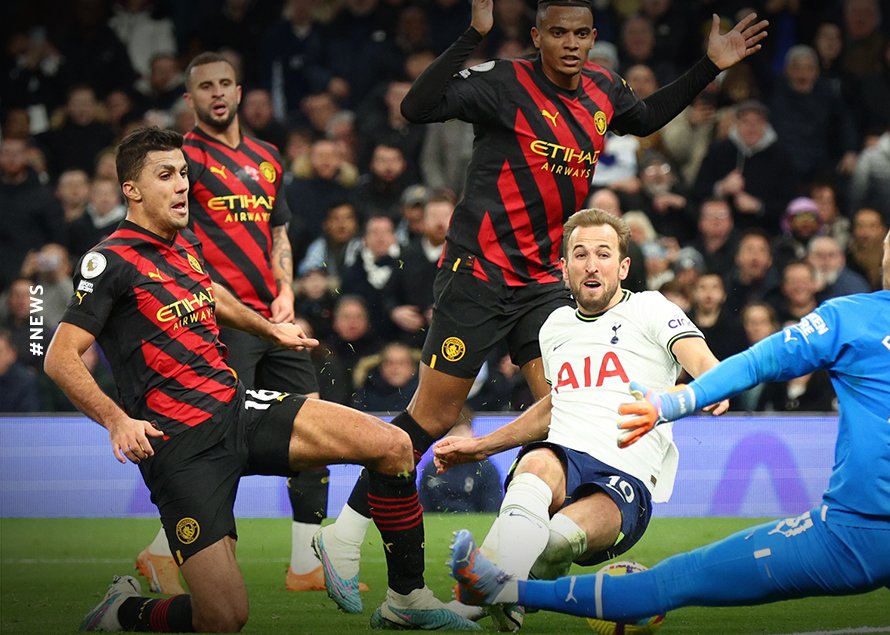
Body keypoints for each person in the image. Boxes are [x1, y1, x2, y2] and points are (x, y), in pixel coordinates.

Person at [450, 201, 890, 635]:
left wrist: (671, 402)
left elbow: (755, 363)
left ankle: (505, 586)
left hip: (854, 534)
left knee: (674, 581)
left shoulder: (853, 316)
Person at [311, 0, 769, 627]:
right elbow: (416, 108)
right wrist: (473, 34)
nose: (571, 43)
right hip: (478, 271)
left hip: (540, 284)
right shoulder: (505, 81)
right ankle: (342, 533)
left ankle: (513, 581)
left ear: (593, 37)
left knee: (561, 409)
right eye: (558, 33)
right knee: (435, 415)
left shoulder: (604, 89)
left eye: (581, 33)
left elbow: (645, 117)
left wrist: (709, 67)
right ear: (537, 36)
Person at [46, 127, 425, 633]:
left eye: (184, 173)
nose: (182, 185)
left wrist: (269, 328)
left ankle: (407, 600)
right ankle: (121, 610)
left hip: (238, 408)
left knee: (393, 445)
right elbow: (59, 357)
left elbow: (211, 292)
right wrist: (117, 421)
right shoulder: (108, 261)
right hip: (181, 446)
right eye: (166, 175)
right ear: (131, 189)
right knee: (223, 618)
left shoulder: (185, 243)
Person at [433, 210, 728, 631]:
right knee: (536, 464)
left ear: (623, 267)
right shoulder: (555, 327)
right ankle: (484, 594)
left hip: (627, 474)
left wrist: (715, 384)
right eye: (581, 254)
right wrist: (481, 446)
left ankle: (501, 592)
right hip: (564, 454)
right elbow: (556, 405)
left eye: (604, 254)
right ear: (564, 268)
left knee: (556, 543)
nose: (592, 265)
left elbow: (699, 358)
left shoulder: (650, 308)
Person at [124, 51, 334, 598]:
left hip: (273, 318)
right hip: (219, 321)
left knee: (315, 431)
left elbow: (278, 231)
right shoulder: (182, 161)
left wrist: (286, 288)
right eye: (205, 86)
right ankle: (164, 549)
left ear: (240, 93)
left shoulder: (268, 156)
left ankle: (306, 565)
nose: (217, 93)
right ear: (189, 98)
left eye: (225, 84)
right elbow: (174, 242)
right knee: (221, 443)